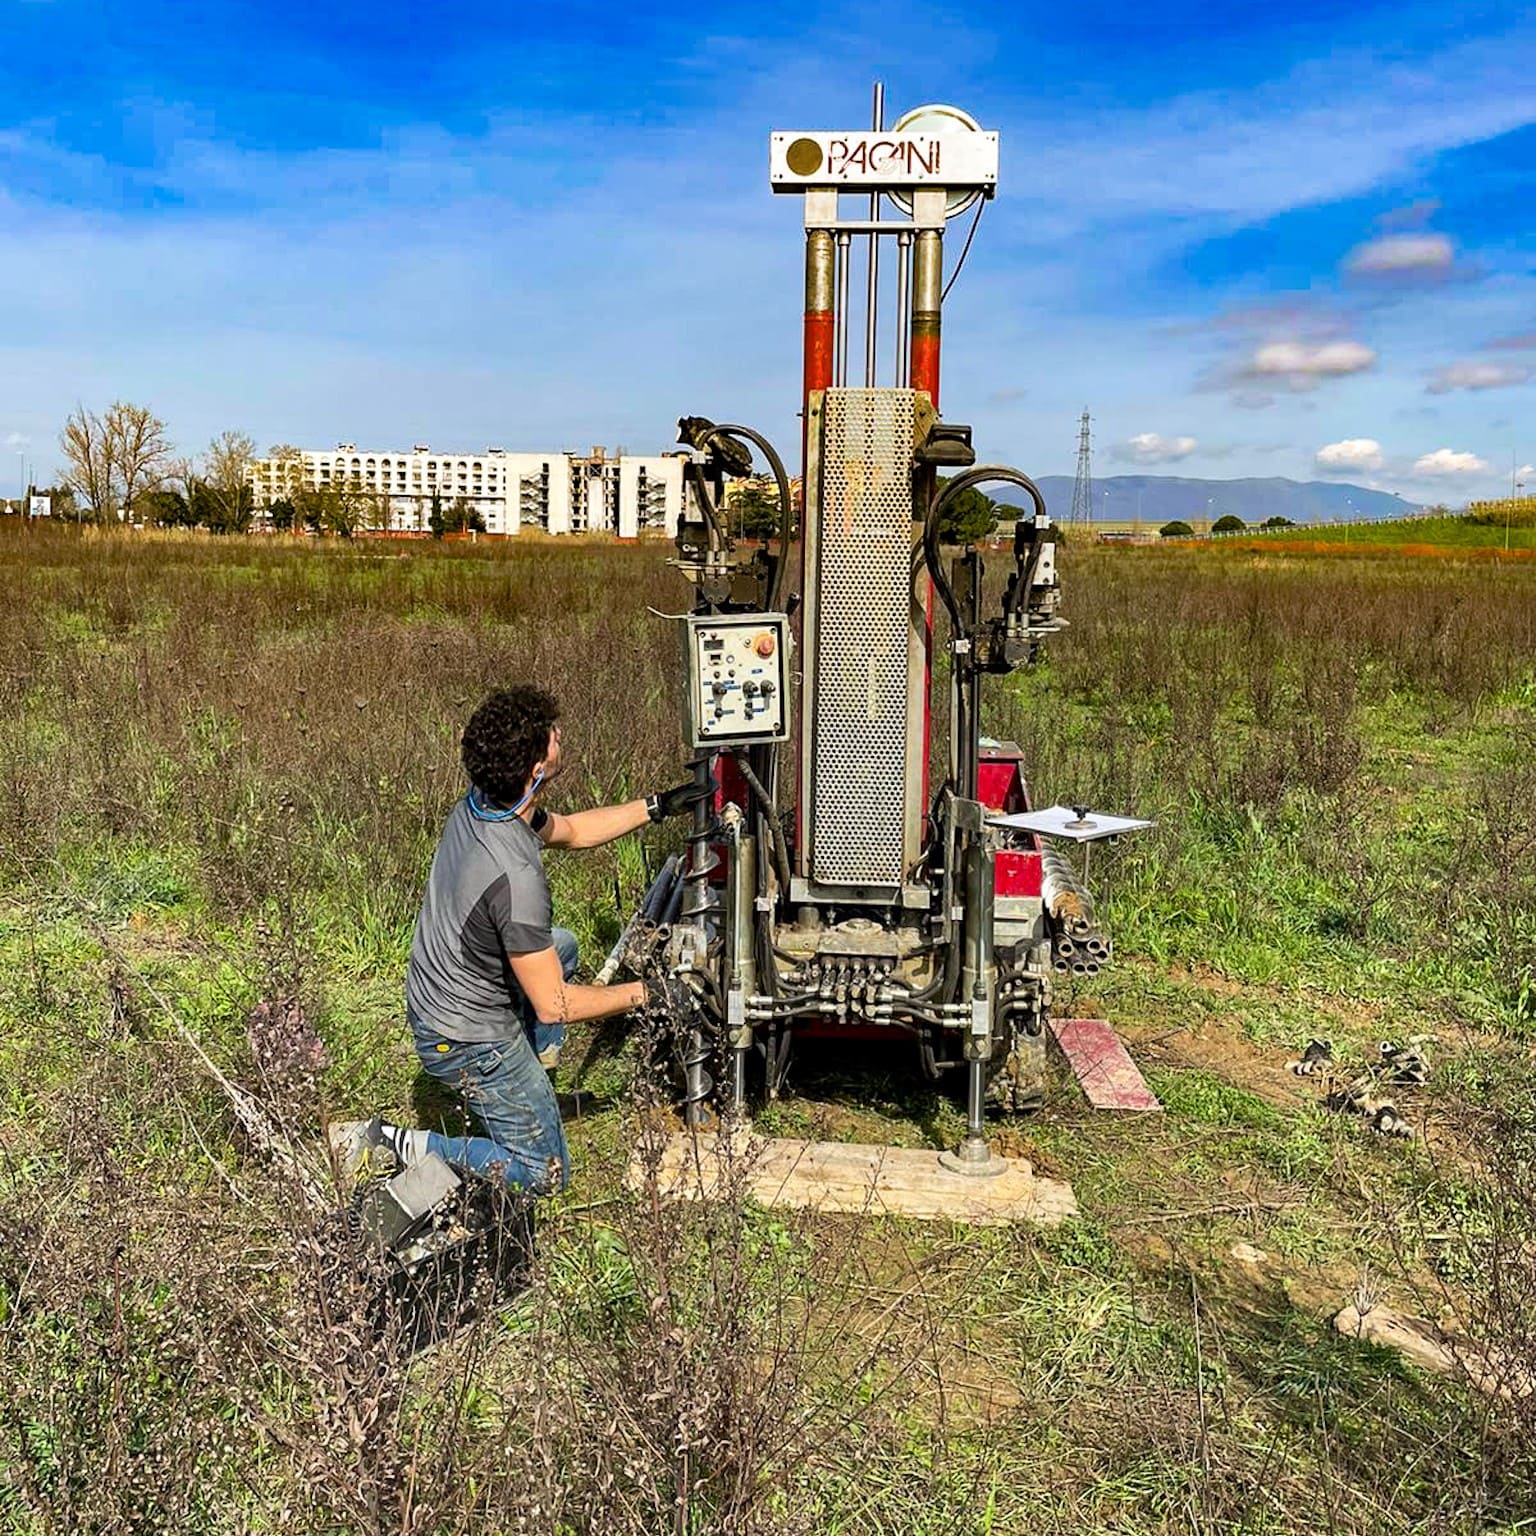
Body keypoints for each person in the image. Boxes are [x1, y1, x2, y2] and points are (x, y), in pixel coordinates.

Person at [332, 684, 705, 1193]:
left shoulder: (486, 802)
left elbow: (572, 830)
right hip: (460, 1036)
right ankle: (388, 1140)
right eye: (551, 736)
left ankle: (529, 1082)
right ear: (535, 768)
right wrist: (650, 993)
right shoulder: (515, 875)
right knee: (542, 1172)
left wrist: (659, 806)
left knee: (564, 945)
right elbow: (554, 1005)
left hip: (441, 992)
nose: (559, 737)